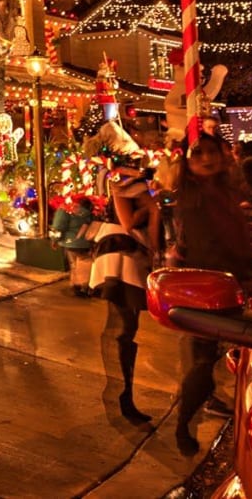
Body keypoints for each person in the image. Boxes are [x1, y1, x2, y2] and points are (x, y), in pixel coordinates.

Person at [169, 133, 252, 456]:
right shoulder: (195, 197)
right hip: (207, 291)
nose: (206, 158)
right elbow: (214, 247)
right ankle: (183, 424)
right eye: (197, 153)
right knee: (203, 363)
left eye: (211, 151)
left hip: (231, 287)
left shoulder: (226, 190)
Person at [91, 160, 161, 425]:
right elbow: (128, 221)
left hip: (132, 254)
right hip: (119, 254)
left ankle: (122, 393)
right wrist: (149, 210)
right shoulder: (122, 186)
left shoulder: (142, 190)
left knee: (126, 326)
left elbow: (151, 238)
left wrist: (152, 211)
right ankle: (120, 394)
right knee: (122, 325)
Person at [50, 193, 96, 297]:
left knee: (74, 264)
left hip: (71, 243)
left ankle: (77, 286)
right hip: (86, 243)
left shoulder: (66, 211)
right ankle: (85, 285)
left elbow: (58, 226)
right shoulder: (91, 212)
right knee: (85, 263)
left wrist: (54, 240)